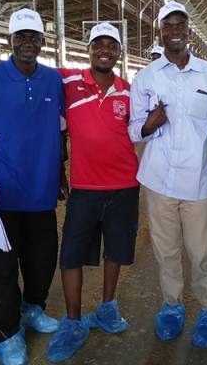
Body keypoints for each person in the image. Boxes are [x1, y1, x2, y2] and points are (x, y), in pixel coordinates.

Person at [0, 8, 65, 365]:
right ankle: (6, 333)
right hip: (0, 193)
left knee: (42, 261)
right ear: (10, 41)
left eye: (33, 37)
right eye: (20, 37)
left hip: (41, 191)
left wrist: (61, 177)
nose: (27, 43)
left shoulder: (53, 81)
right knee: (2, 267)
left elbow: (61, 129)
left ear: (42, 42)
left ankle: (33, 309)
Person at [128, 1, 207, 347]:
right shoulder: (146, 77)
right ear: (160, 31)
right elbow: (132, 130)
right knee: (166, 251)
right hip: (158, 181)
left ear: (189, 31)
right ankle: (171, 307)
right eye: (168, 25)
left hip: (200, 182)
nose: (174, 31)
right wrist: (148, 125)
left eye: (180, 25)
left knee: (202, 253)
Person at [46, 22, 140, 362]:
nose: (105, 50)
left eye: (111, 45)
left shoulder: (129, 91)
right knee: (71, 254)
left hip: (125, 186)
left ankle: (107, 307)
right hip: (84, 188)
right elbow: (25, 66)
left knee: (115, 251)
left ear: (119, 52)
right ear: (88, 49)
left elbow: (142, 129)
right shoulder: (69, 80)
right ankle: (72, 321)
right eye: (98, 44)